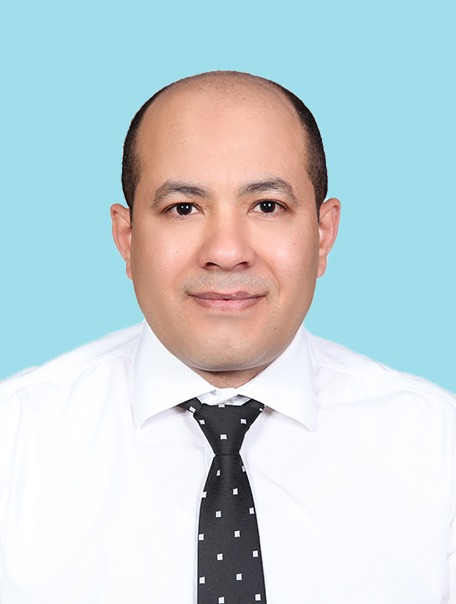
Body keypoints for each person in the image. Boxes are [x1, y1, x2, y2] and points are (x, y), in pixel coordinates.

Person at [0, 71, 454, 604]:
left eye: (267, 206)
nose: (227, 251)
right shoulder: (14, 442)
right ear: (127, 238)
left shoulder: (439, 451)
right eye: (183, 208)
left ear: (323, 233)